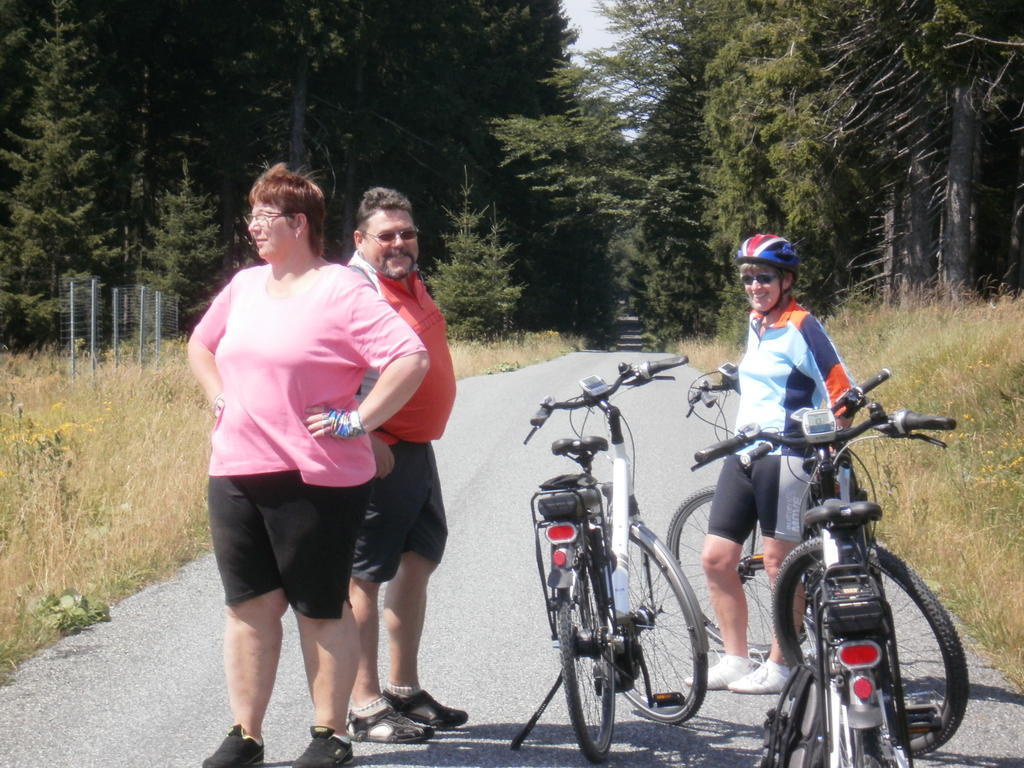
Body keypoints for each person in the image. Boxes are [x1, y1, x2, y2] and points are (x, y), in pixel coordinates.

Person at [188, 164, 430, 768]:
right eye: (251, 216)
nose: (252, 228)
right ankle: (246, 736)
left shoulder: (342, 290)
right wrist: (217, 392)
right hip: (237, 469)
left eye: (263, 217)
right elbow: (200, 343)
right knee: (248, 605)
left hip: (315, 476)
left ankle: (331, 736)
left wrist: (359, 421)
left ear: (297, 224)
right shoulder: (244, 286)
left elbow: (409, 357)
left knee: (320, 606)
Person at [700, 234, 853, 695]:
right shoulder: (757, 322)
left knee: (777, 567)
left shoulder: (802, 325)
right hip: (745, 453)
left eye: (763, 277)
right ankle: (734, 658)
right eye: (747, 278)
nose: (754, 285)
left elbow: (841, 389)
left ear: (786, 281)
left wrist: (830, 444)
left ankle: (784, 661)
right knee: (716, 559)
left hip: (787, 457)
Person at [343, 187, 464, 744]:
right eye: (385, 235)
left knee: (418, 561)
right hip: (378, 452)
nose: (398, 243)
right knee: (363, 577)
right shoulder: (350, 289)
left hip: (416, 450)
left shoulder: (409, 278)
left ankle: (402, 688)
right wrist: (365, 434)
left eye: (406, 233)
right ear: (360, 240)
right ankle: (364, 705)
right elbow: (322, 370)